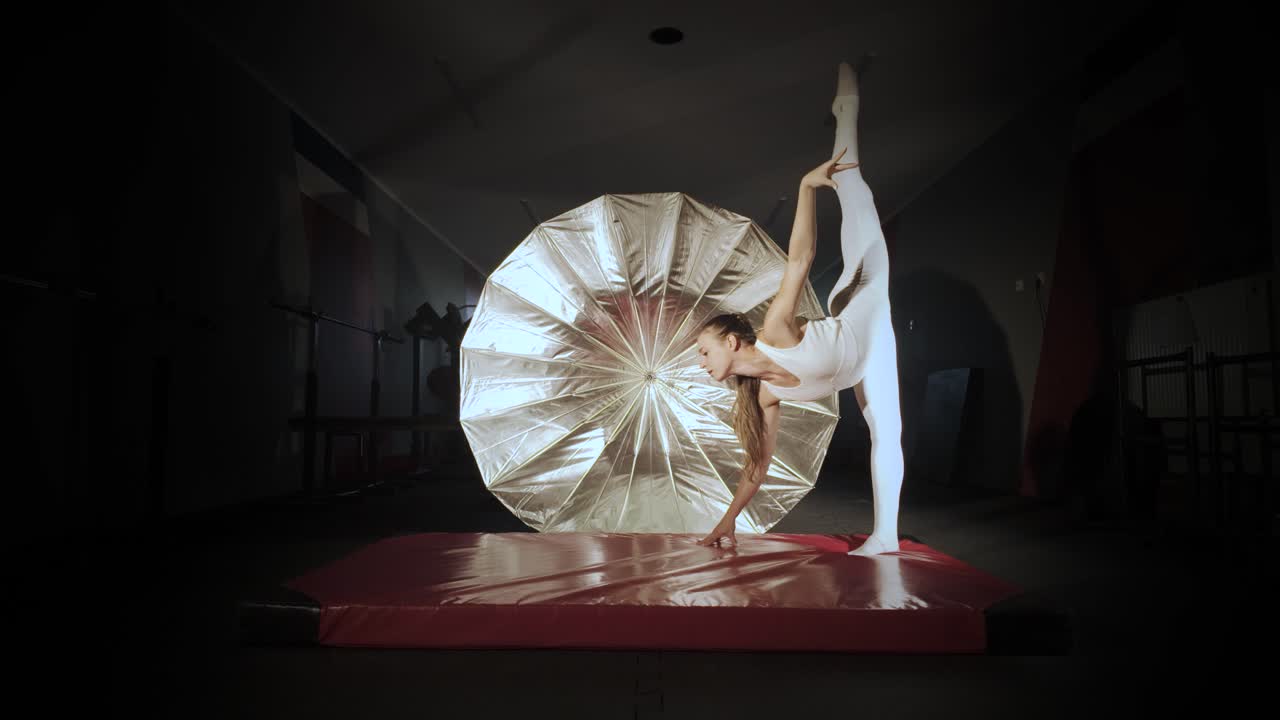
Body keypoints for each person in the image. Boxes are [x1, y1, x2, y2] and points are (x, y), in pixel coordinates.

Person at [694, 61, 904, 556]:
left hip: (864, 293)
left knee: (850, 185)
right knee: (887, 430)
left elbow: (802, 257)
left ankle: (845, 111)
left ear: (731, 341)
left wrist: (808, 186)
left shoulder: (774, 331)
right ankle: (887, 536)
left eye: (702, 353)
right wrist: (727, 523)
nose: (701, 365)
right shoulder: (762, 396)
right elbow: (757, 468)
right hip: (866, 357)